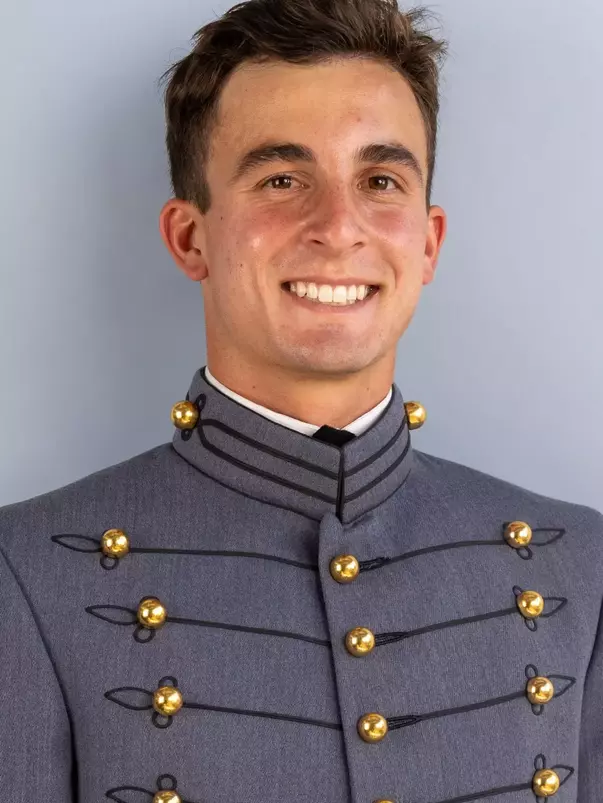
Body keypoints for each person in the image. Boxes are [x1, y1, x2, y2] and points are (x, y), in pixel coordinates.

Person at [1, 0, 601, 800]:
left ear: (426, 244)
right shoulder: (28, 574)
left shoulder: (582, 567)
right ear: (190, 238)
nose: (338, 225)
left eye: (380, 180)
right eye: (282, 178)